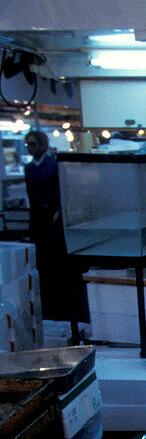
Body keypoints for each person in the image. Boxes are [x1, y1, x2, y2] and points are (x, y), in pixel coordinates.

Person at [24, 129, 70, 321]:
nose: (29, 148)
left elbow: (62, 188)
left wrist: (59, 210)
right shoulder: (29, 169)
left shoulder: (52, 165)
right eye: (28, 145)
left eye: (33, 144)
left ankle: (60, 306)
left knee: (55, 263)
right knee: (41, 262)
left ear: (42, 145)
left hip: (53, 217)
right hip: (38, 219)